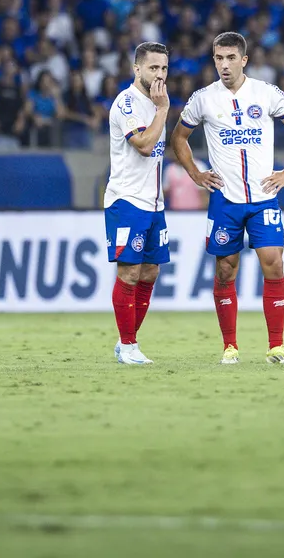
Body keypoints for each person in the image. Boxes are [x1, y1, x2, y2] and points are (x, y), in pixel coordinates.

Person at [169, 32, 284, 365]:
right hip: (225, 201)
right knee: (224, 272)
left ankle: (276, 346)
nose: (224, 64)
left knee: (273, 263)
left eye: (231, 58)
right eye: (218, 58)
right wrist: (194, 173)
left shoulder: (266, 93)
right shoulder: (203, 98)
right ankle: (229, 347)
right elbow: (179, 137)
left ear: (243, 60)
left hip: (263, 197)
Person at [104, 41, 171, 365]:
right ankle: (129, 346)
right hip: (127, 200)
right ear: (137, 69)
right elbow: (144, 145)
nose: (159, 74)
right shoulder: (127, 103)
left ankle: (125, 342)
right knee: (129, 273)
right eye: (153, 67)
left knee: (150, 272)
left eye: (164, 68)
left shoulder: (159, 102)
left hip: (154, 203)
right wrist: (162, 111)